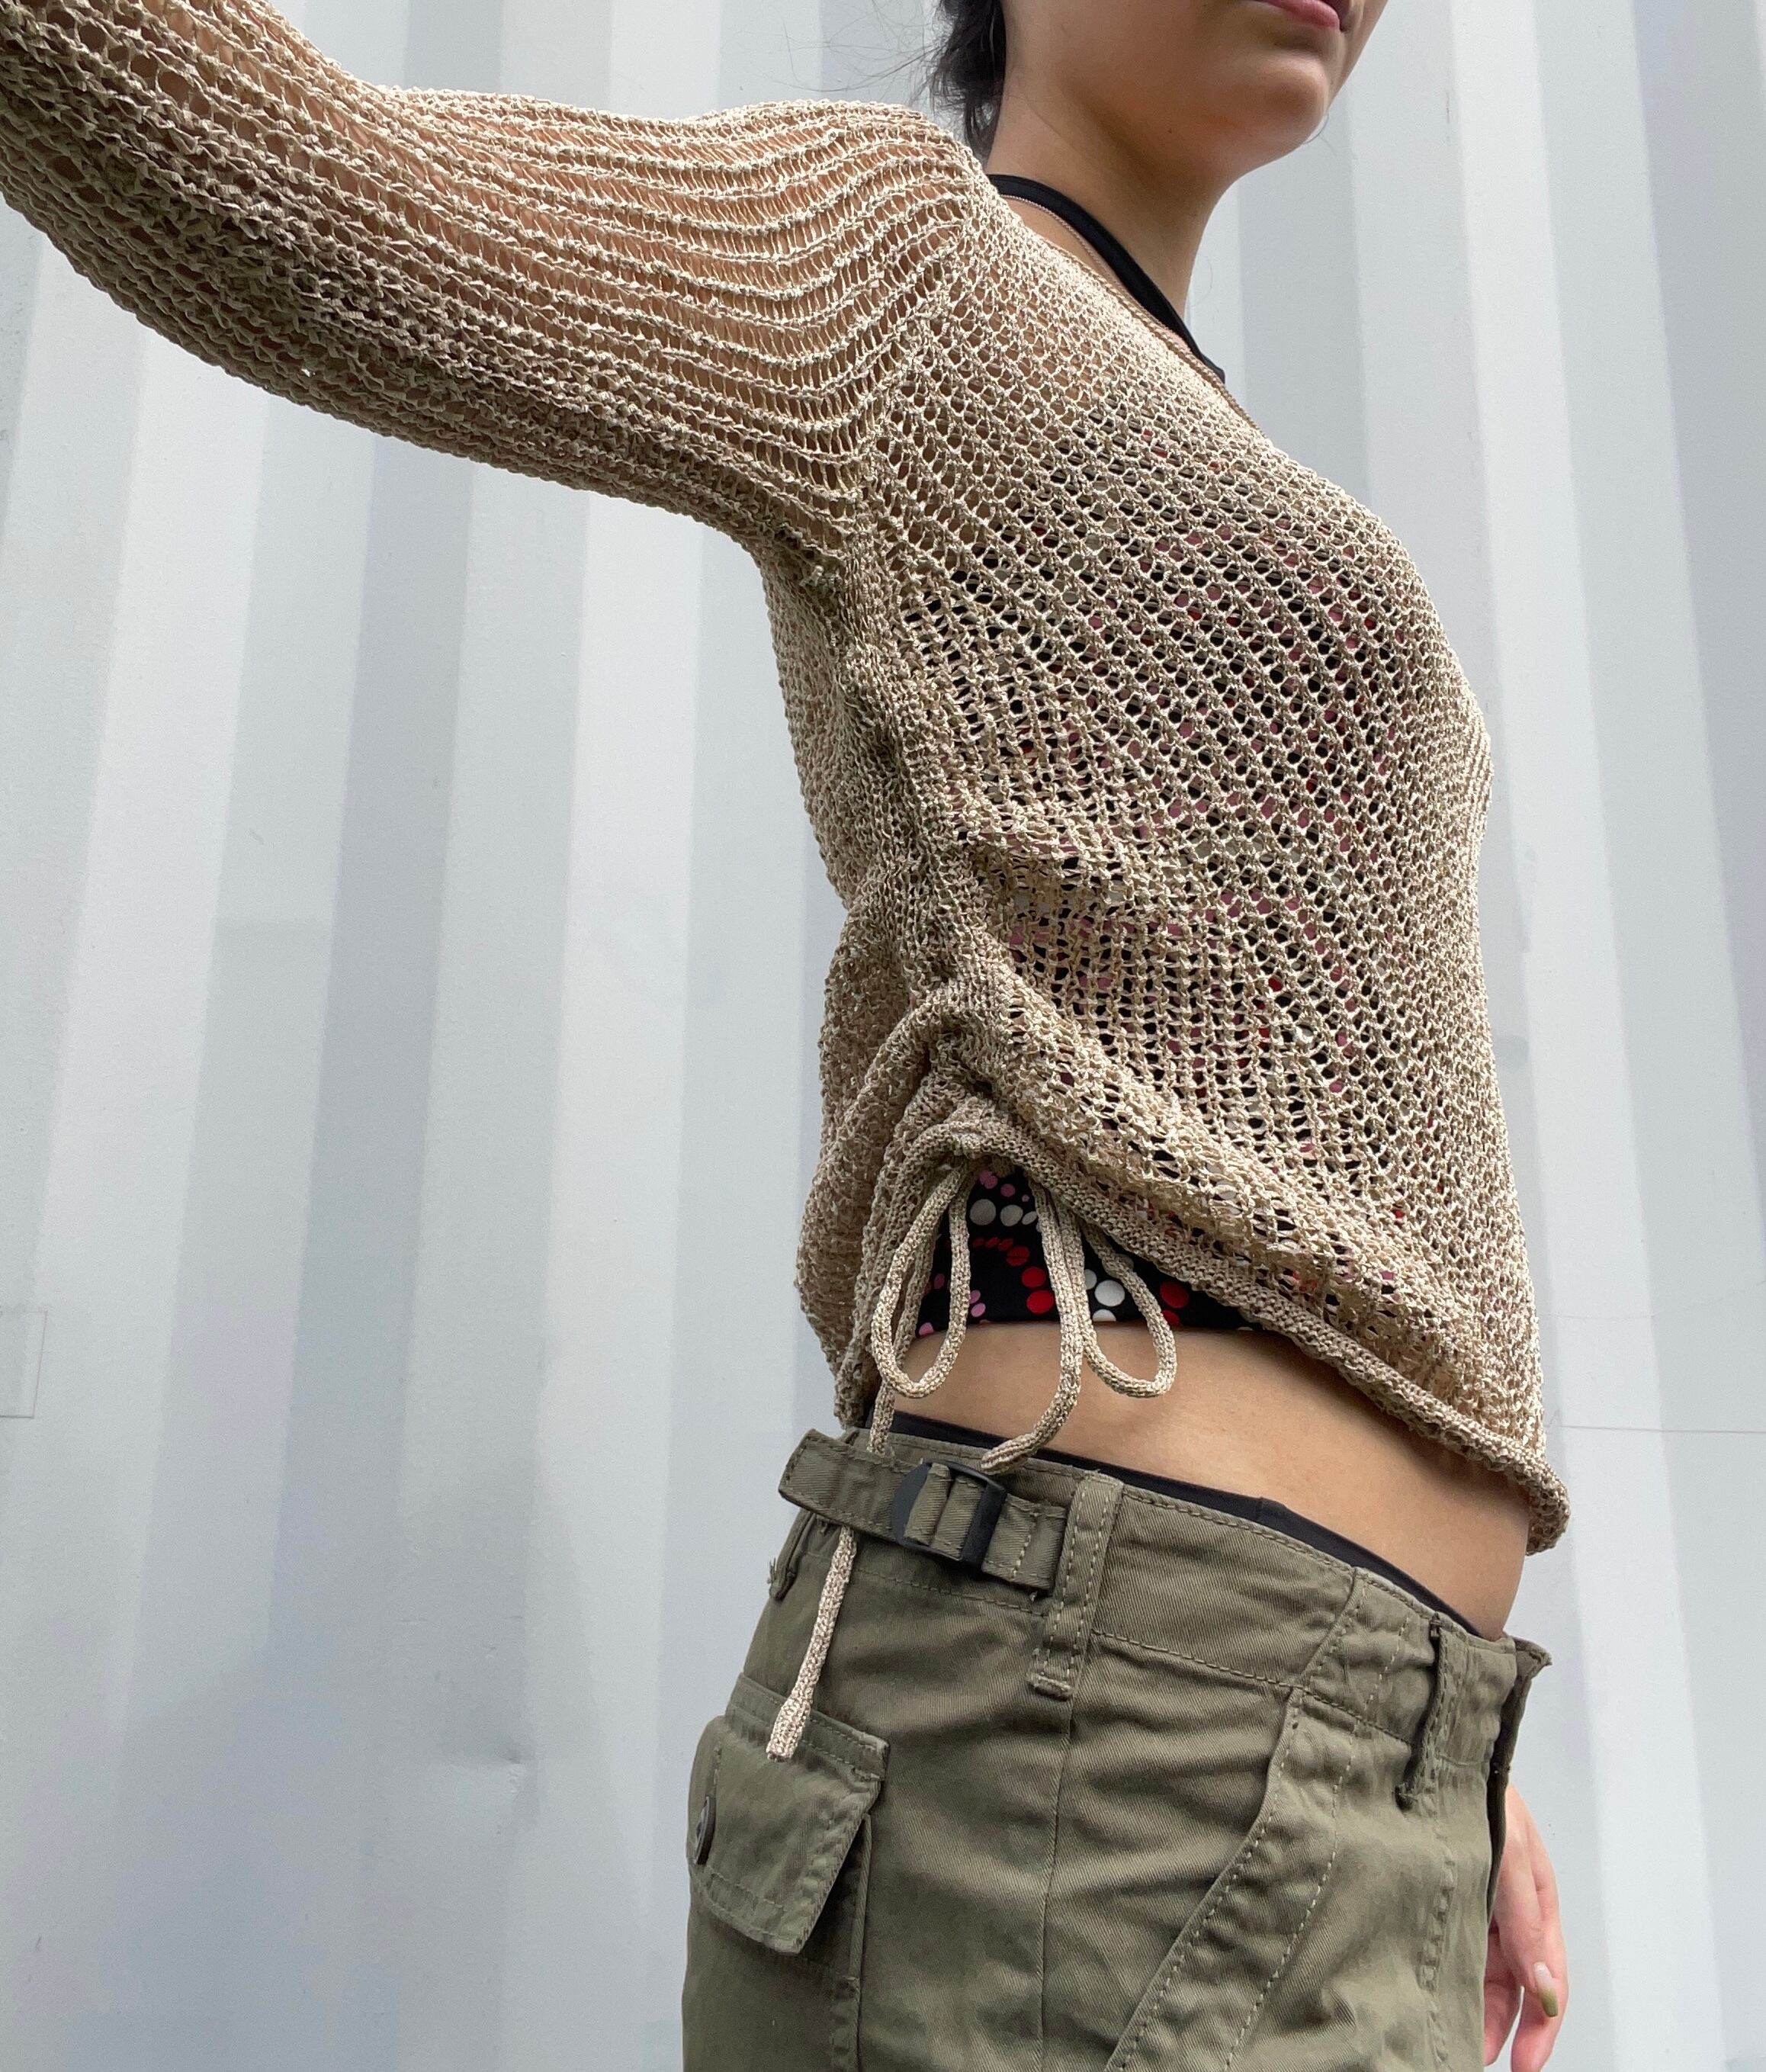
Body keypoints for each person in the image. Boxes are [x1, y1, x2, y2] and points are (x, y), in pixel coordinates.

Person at [0, 0, 1569, 2064]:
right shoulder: (901, 262)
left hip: (1321, 1753)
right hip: (1100, 1726)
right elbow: (300, 197)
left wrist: (1420, 1719)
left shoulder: (1191, 424)